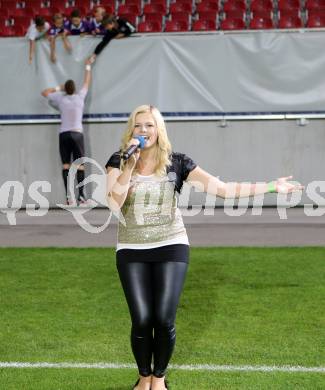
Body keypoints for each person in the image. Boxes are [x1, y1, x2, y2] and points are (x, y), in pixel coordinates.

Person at [105, 105, 303, 390]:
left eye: (150, 125)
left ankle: (158, 379)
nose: (144, 131)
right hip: (131, 248)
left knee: (162, 318)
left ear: (159, 130)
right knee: (141, 319)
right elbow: (114, 204)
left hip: (171, 245)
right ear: (131, 130)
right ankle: (143, 377)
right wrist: (128, 167)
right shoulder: (119, 160)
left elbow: (221, 189)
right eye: (139, 126)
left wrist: (271, 187)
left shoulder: (177, 162)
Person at [41, 60, 92, 205]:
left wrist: (58, 87)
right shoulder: (80, 97)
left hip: (64, 134)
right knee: (80, 165)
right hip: (77, 134)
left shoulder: (60, 97)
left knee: (66, 166)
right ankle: (81, 197)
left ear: (65, 89)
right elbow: (87, 82)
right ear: (74, 89)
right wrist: (88, 66)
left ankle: (69, 198)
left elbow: (44, 92)